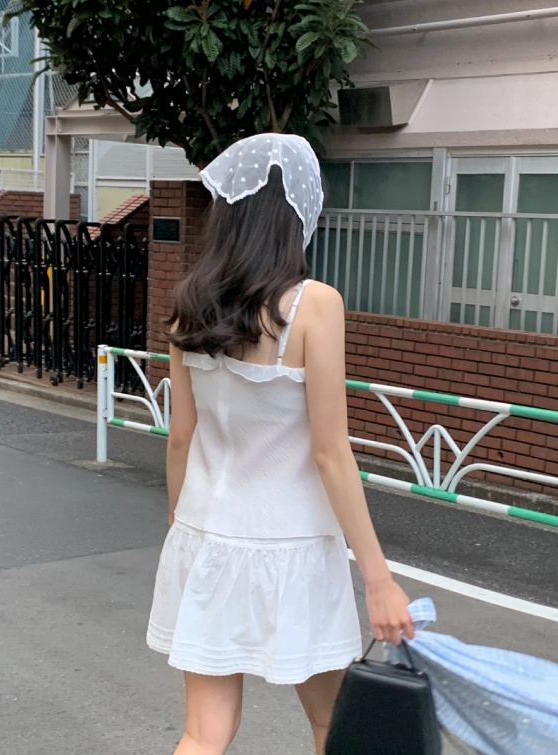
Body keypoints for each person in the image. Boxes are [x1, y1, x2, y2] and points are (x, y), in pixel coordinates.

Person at [146, 133, 414, 755]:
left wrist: (182, 525)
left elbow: (181, 437)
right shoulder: (314, 305)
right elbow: (330, 452)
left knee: (205, 731)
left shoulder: (190, 305)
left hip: (205, 533)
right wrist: (378, 579)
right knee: (333, 722)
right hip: (291, 544)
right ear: (297, 211)